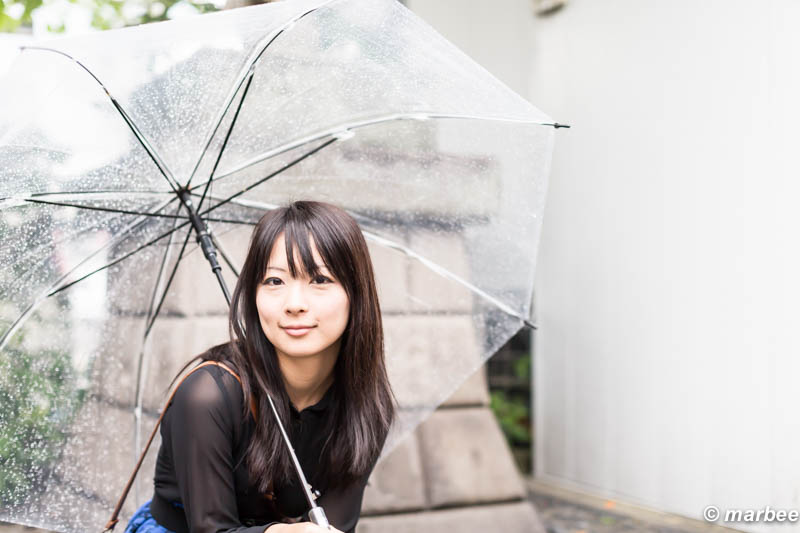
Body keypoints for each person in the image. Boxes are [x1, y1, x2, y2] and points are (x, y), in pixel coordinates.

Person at [125, 201, 396, 533]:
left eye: (320, 279)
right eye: (274, 281)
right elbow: (211, 530)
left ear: (357, 293)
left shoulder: (366, 406)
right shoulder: (208, 396)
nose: (294, 304)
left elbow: (339, 524)